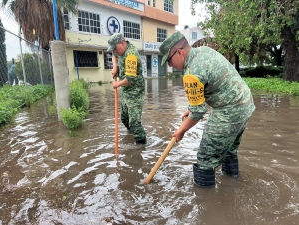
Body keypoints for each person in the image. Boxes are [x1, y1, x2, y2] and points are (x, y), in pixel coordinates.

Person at [159, 31, 255, 187]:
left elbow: (198, 112)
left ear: (179, 53)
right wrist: (191, 109)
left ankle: (206, 203)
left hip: (229, 110)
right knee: (229, 151)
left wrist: (181, 131)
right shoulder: (203, 51)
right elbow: (212, 85)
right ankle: (233, 184)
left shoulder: (191, 72)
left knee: (205, 159)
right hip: (245, 104)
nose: (170, 65)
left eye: (169, 60)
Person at [107, 33, 147, 144]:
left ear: (122, 43)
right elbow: (114, 55)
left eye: (115, 48)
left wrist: (117, 84)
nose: (114, 51)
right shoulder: (119, 50)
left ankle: (141, 147)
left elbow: (130, 79)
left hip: (135, 91)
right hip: (126, 90)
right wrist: (115, 67)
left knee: (134, 123)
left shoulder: (131, 55)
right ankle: (131, 134)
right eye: (113, 49)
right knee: (124, 118)